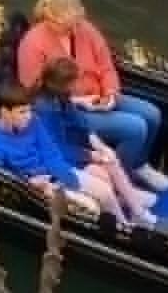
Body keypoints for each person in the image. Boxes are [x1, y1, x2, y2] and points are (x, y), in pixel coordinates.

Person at [16, 0, 168, 192]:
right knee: (136, 127)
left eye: (77, 24)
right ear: (51, 20)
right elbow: (36, 93)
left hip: (99, 95)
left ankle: (138, 165)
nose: (75, 30)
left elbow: (106, 66)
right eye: (69, 26)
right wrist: (79, 101)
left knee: (152, 114)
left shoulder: (85, 29)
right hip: (67, 110)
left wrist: (110, 94)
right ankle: (119, 180)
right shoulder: (32, 44)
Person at [0, 85, 155, 227]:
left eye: (29, 110)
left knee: (105, 191)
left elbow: (50, 152)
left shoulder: (33, 121)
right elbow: (4, 182)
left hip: (56, 172)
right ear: (5, 112)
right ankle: (120, 226)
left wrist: (67, 178)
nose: (29, 117)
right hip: (32, 190)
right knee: (91, 207)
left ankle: (123, 226)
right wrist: (32, 183)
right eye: (22, 112)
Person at [32, 57, 159, 226]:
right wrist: (91, 155)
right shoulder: (44, 109)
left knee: (110, 158)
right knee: (104, 171)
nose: (79, 84)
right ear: (62, 84)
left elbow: (77, 119)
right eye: (75, 81)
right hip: (60, 159)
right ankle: (123, 219)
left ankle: (136, 209)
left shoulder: (61, 96)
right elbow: (57, 148)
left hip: (71, 149)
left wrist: (96, 141)